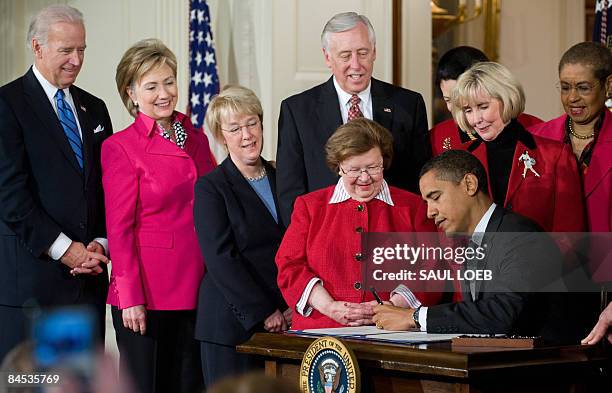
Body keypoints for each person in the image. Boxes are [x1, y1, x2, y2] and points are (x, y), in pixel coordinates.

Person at [0, 4, 112, 361]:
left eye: (81, 49)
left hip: (88, 283)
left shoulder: (94, 108)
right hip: (34, 286)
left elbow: (105, 187)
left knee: (83, 384)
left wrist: (99, 242)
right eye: (66, 50)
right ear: (37, 47)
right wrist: (67, 250)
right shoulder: (7, 104)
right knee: (31, 382)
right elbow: (10, 196)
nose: (76, 60)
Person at [102, 39, 214, 393]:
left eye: (169, 81)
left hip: (198, 288)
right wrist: (131, 297)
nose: (163, 93)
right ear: (131, 93)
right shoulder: (119, 147)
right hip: (149, 294)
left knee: (190, 385)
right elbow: (119, 230)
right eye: (151, 86)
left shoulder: (196, 138)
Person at [373, 150, 577, 343]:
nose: (429, 212)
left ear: (469, 184)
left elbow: (504, 314)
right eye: (426, 202)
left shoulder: (520, 234)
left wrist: (416, 317)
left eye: (435, 197)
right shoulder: (472, 242)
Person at [276, 118, 440, 330]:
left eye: (372, 167)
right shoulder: (310, 206)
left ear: (384, 162)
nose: (364, 178)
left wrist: (392, 306)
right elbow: (289, 266)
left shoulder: (414, 206)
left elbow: (434, 267)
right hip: (321, 332)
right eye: (354, 169)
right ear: (339, 167)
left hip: (392, 332)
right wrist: (330, 307)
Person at [276, 11, 431, 225]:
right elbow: (290, 192)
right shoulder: (296, 111)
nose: (356, 65)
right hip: (326, 236)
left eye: (363, 53)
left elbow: (422, 182)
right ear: (328, 57)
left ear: (374, 52)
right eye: (345, 55)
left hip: (392, 236)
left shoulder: (408, 105)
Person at [193, 86, 289, 386]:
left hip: (286, 316)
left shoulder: (282, 176)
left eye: (252, 123)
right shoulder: (211, 187)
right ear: (221, 137)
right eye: (235, 128)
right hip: (231, 324)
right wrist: (264, 311)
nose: (247, 135)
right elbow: (221, 258)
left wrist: (291, 306)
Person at [450, 62, 585, 233]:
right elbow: (452, 230)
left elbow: (571, 234)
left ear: (507, 99)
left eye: (483, 107)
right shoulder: (458, 160)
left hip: (542, 257)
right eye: (468, 110)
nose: (476, 119)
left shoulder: (555, 155)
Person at [528, 42, 612, 235]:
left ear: (608, 85)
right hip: (552, 258)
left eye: (583, 88)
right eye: (565, 88)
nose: (572, 98)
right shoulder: (535, 138)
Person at [430, 46, 542, 156]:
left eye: (482, 106)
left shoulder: (538, 129)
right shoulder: (436, 137)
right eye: (448, 100)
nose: (457, 107)